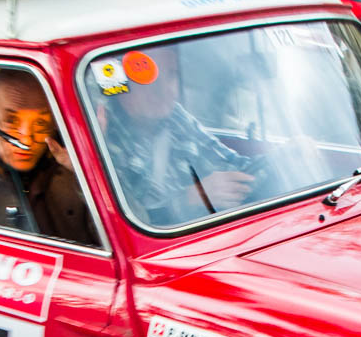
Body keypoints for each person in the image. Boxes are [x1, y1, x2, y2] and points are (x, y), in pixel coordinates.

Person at [97, 46, 266, 227]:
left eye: (171, 76)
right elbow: (126, 223)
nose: (165, 91)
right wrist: (191, 198)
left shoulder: (176, 118)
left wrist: (284, 156)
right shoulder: (104, 136)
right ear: (121, 88)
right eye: (147, 80)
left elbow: (233, 165)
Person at [0, 68, 99, 247]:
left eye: (40, 123)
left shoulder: (73, 165)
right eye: (11, 121)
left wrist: (88, 175)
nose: (26, 139)